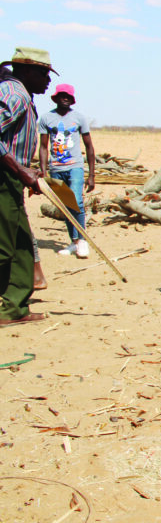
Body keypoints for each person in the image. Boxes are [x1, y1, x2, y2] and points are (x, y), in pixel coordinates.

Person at [0, 46, 56, 326]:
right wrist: (18, 169)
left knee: (22, 244)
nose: (48, 80)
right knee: (3, 246)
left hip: (11, 176)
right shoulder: (14, 94)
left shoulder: (24, 95)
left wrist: (26, 169)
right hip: (3, 177)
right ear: (26, 71)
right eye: (44, 74)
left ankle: (13, 309)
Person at [39, 83, 95, 258]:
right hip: (56, 168)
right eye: (62, 95)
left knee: (76, 202)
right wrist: (43, 172)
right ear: (56, 97)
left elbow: (89, 146)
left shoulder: (79, 118)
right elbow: (43, 147)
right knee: (65, 206)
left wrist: (92, 175)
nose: (65, 98)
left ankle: (83, 239)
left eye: (68, 96)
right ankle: (74, 242)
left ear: (72, 99)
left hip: (75, 167)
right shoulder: (46, 118)